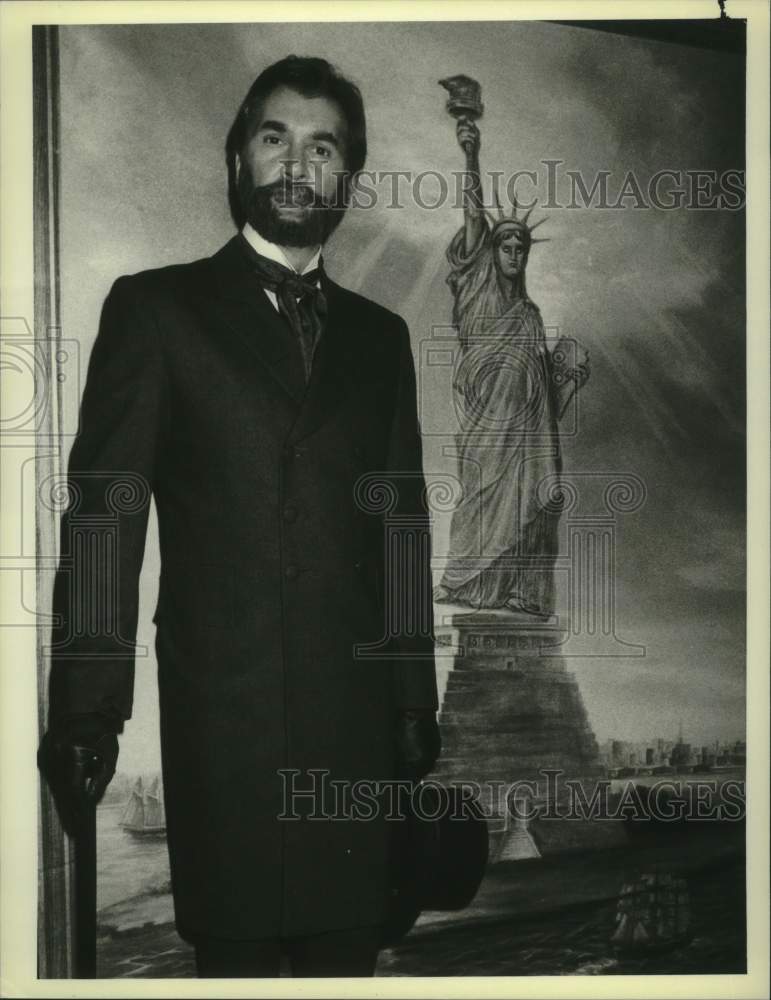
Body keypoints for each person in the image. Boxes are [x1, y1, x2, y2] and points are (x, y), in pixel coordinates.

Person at [40, 55, 440, 978]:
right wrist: (87, 713)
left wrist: (413, 700)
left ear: (348, 174)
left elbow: (399, 530)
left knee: (348, 964)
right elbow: (106, 515)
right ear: (237, 159)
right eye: (275, 138)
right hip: (228, 729)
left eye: (323, 146)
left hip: (354, 741)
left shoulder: (381, 340)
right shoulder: (156, 309)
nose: (298, 164)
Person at [433, 115, 590, 616]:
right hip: (485, 428)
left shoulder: (530, 315)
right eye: (507, 245)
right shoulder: (476, 290)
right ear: (489, 253)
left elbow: (545, 406)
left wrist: (567, 377)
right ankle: (465, 584)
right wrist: (471, 154)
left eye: (522, 248)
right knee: (478, 496)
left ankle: (520, 592)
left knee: (531, 498)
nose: (516, 252)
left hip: (525, 440)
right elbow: (474, 214)